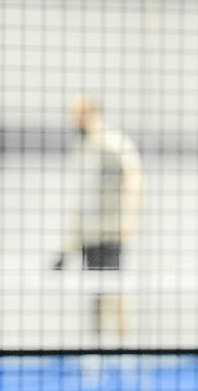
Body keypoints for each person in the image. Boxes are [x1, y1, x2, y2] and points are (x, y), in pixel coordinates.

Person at [53, 94, 144, 369]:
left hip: (111, 232)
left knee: (115, 293)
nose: (73, 119)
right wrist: (70, 243)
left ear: (90, 112)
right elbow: (82, 198)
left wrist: (129, 220)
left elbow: (135, 179)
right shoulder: (83, 149)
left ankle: (126, 353)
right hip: (89, 235)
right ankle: (93, 355)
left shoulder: (115, 143)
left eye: (77, 112)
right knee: (93, 292)